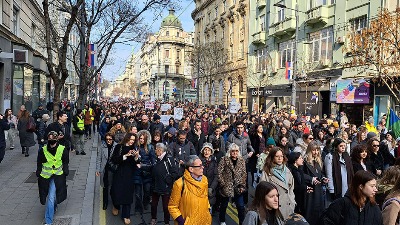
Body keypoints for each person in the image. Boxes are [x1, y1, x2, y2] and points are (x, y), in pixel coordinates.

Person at [36, 131, 69, 225]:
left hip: (57, 176)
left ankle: (48, 221)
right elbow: (39, 162)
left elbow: (65, 161)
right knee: (50, 195)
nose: (51, 140)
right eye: (49, 138)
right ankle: (53, 207)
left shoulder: (63, 149)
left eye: (53, 139)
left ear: (56, 139)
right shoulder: (42, 150)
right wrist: (38, 171)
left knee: (50, 197)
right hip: (45, 176)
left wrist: (66, 170)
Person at [168, 155, 212, 225]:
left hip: (204, 221)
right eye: (200, 166)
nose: (203, 167)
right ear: (191, 169)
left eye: (202, 165)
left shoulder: (204, 180)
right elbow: (172, 206)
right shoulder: (179, 184)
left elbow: (205, 197)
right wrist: (181, 221)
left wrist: (208, 209)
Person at [110, 133, 141, 225]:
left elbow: (137, 164)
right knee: (116, 191)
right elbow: (114, 159)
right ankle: (116, 206)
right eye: (130, 139)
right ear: (127, 138)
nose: (131, 141)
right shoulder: (119, 147)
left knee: (127, 194)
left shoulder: (134, 148)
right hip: (119, 172)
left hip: (129, 174)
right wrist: (125, 156)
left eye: (133, 140)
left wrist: (136, 158)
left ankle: (126, 215)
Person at [260, 147, 295, 219]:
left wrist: (292, 201)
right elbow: (262, 191)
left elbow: (291, 188)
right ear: (272, 157)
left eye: (281, 156)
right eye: (277, 156)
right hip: (275, 208)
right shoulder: (267, 172)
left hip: (289, 206)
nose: (280, 158)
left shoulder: (287, 170)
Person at [218, 143, 247, 225]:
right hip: (227, 186)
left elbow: (244, 174)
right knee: (224, 205)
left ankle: (242, 222)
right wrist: (223, 184)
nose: (235, 153)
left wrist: (242, 185)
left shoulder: (241, 160)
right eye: (233, 151)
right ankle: (222, 220)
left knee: (241, 206)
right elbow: (219, 172)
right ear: (229, 152)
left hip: (238, 186)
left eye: (236, 151)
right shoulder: (224, 159)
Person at [150, 143, 178, 225]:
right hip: (156, 185)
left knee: (166, 207)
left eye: (156, 149)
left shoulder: (169, 159)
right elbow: (152, 168)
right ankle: (153, 218)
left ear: (160, 150)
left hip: (165, 187)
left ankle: (166, 222)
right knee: (153, 204)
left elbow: (175, 172)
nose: (155, 151)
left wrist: (169, 179)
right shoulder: (156, 158)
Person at [302, 141, 328, 225]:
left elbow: (321, 173)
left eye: (317, 150)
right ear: (310, 150)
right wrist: (311, 179)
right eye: (314, 150)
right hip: (310, 191)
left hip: (319, 191)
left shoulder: (319, 161)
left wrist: (323, 179)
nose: (316, 152)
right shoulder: (304, 161)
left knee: (319, 214)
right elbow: (301, 175)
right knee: (310, 214)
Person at [135, 130, 155, 212]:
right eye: (140, 138)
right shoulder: (136, 147)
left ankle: (145, 203)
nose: (141, 140)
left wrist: (143, 166)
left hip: (147, 173)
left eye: (143, 139)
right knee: (138, 193)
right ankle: (139, 207)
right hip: (137, 173)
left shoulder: (150, 148)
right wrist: (136, 157)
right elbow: (134, 161)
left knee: (147, 191)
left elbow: (153, 162)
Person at [96, 133, 116, 210]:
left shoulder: (116, 146)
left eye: (110, 139)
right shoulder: (102, 146)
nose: (108, 141)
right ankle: (105, 202)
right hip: (105, 170)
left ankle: (115, 202)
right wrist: (98, 169)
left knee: (113, 187)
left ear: (113, 139)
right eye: (107, 139)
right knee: (105, 187)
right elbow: (99, 159)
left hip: (113, 170)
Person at [199, 143, 218, 209]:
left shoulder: (214, 162)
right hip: (200, 189)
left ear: (211, 152)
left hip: (210, 189)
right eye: (205, 150)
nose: (206, 152)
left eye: (209, 150)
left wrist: (212, 188)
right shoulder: (198, 161)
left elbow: (216, 176)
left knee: (209, 210)